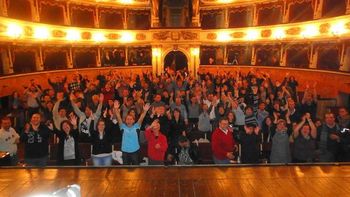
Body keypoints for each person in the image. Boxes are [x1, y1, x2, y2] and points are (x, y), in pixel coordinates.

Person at [114, 100, 150, 165]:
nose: (129, 120)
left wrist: (145, 111)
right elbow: (119, 117)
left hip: (135, 151)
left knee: (136, 169)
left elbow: (141, 118)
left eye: (131, 119)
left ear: (133, 120)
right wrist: (116, 109)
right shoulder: (123, 127)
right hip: (125, 152)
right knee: (125, 170)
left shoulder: (136, 126)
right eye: (127, 119)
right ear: (125, 120)